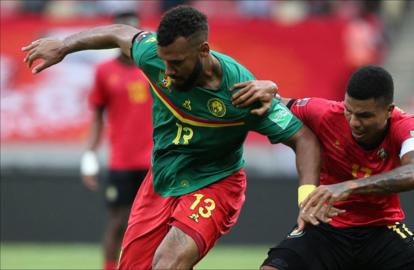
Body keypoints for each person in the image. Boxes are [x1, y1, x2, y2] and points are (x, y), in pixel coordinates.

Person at [22, 5, 335, 269]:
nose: (168, 72)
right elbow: (118, 32)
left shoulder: (241, 92)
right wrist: (64, 46)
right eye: (164, 61)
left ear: (203, 50)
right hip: (161, 180)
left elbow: (303, 138)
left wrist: (305, 196)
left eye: (177, 63)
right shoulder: (154, 56)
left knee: (168, 262)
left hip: (214, 183)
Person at [231, 65, 414, 270]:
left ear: (389, 110)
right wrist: (270, 86)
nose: (354, 122)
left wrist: (346, 187)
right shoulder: (325, 113)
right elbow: (274, 102)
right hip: (325, 228)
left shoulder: (405, 125)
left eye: (365, 115)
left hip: (383, 229)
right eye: (350, 111)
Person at [79, 11, 152, 270]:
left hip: (155, 162)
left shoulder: (155, 68)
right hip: (121, 161)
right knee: (118, 222)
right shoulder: (103, 71)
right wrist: (89, 158)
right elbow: (97, 117)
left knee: (157, 224)